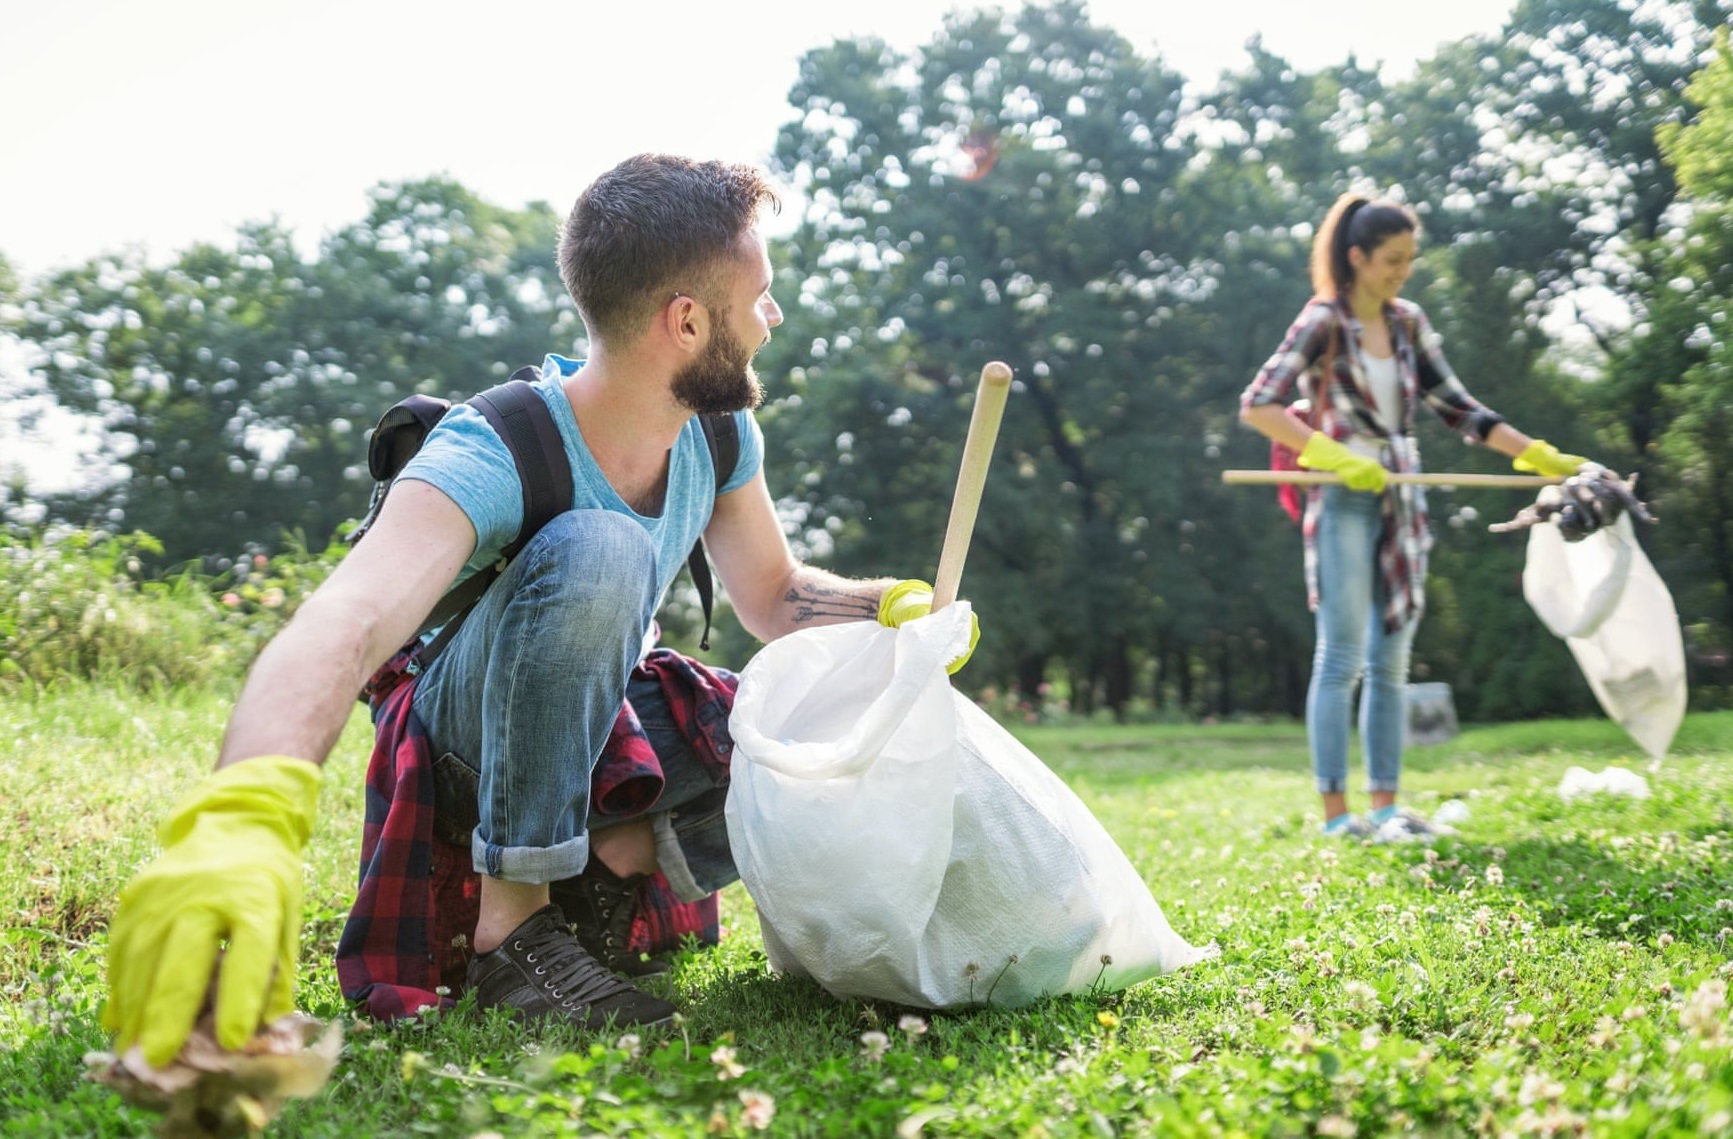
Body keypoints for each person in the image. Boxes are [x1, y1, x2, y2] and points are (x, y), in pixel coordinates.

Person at [102, 153, 980, 1067]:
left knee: (792, 715)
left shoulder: (717, 431)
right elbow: (346, 620)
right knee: (603, 547)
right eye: (760, 295)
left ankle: (606, 874)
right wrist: (243, 811)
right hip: (461, 738)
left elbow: (771, 594)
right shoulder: (497, 443)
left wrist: (893, 608)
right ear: (686, 321)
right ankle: (512, 935)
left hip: (596, 725)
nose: (774, 315)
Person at [1238, 191, 1591, 842]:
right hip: (1341, 495)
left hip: (1402, 497)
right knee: (1341, 657)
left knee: (1391, 660)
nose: (1403, 271)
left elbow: (1459, 408)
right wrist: (1330, 453)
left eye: (1410, 259)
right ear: (1357, 257)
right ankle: (1336, 816)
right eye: (1392, 260)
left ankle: (1384, 807)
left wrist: (1533, 453)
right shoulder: (1322, 321)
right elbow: (1259, 404)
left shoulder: (1408, 324)